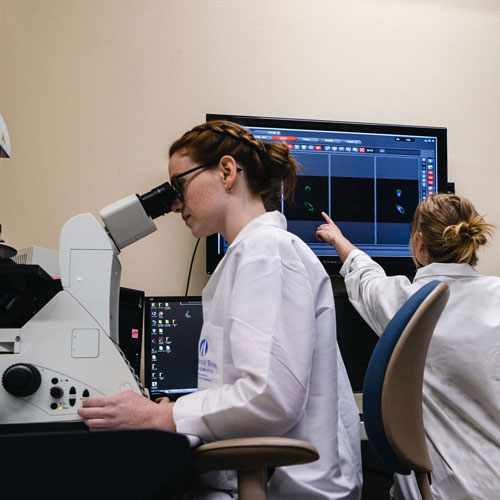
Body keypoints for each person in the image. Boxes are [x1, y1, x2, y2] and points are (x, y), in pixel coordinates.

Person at [79, 120, 362, 499]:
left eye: (179, 186)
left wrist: (162, 416)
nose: (175, 203)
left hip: (287, 487)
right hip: (259, 476)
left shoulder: (267, 253)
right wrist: (180, 412)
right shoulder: (248, 257)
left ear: (227, 171)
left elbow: (269, 398)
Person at [316, 193, 500, 500]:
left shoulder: (406, 305)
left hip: (446, 492)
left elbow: (366, 278)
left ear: (418, 244)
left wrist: (339, 240)